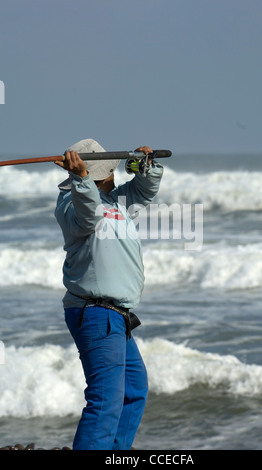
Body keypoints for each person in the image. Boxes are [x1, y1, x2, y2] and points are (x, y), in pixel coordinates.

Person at [54, 138, 164, 450]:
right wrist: (82, 179)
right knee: (106, 399)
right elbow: (88, 215)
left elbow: (144, 191)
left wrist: (146, 168)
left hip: (116, 316)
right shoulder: (70, 203)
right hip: (95, 311)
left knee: (133, 389)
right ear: (104, 172)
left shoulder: (114, 201)